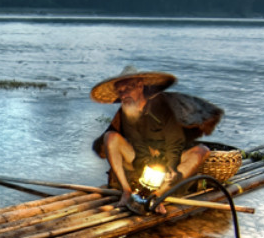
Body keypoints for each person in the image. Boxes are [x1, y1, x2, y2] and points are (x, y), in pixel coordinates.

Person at [91, 69, 223, 214]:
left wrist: (171, 167)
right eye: (121, 92)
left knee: (202, 150)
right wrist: (148, 165)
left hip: (168, 164)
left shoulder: (162, 105)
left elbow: (175, 142)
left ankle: (157, 195)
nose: (124, 95)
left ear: (140, 86)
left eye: (128, 89)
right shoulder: (126, 112)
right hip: (143, 162)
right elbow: (138, 146)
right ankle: (127, 191)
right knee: (110, 137)